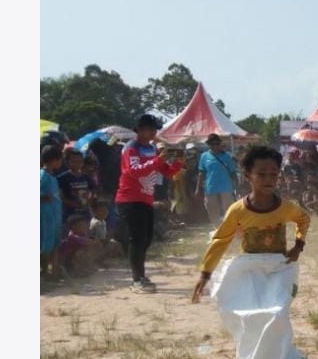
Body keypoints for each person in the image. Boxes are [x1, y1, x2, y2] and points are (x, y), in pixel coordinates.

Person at [191, 145, 311, 359]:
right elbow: (220, 241)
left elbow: (303, 219)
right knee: (253, 322)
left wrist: (298, 245)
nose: (269, 180)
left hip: (279, 269)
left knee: (277, 316)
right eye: (262, 174)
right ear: (248, 176)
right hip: (250, 271)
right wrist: (205, 273)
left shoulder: (286, 207)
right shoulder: (238, 210)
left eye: (274, 174)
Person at [114, 114, 183, 293]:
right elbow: (134, 171)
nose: (154, 132)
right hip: (130, 199)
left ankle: (140, 276)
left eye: (155, 129)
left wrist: (178, 162)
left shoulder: (151, 148)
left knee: (146, 239)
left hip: (146, 199)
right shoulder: (131, 148)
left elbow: (165, 171)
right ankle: (137, 280)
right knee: (137, 239)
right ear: (140, 129)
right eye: (151, 129)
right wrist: (159, 160)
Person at [196, 134, 239, 226]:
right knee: (212, 210)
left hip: (226, 187)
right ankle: (217, 228)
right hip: (211, 187)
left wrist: (238, 187)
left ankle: (229, 228)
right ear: (209, 145)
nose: (215, 146)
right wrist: (198, 188)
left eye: (216, 144)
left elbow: (233, 172)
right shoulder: (204, 156)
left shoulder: (227, 156)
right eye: (212, 144)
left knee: (229, 209)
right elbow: (201, 173)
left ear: (219, 144)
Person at [40, 144, 64, 278]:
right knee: (46, 243)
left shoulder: (52, 176)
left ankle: (53, 272)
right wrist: (44, 196)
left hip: (55, 214)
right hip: (46, 215)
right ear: (54, 160)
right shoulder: (42, 175)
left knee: (54, 243)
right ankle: (44, 271)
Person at [58, 149, 97, 222]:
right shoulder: (62, 178)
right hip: (69, 213)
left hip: (85, 212)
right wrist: (71, 203)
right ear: (67, 162)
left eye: (80, 161)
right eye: (74, 161)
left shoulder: (86, 177)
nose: (77, 164)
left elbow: (94, 190)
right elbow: (59, 195)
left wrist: (90, 200)